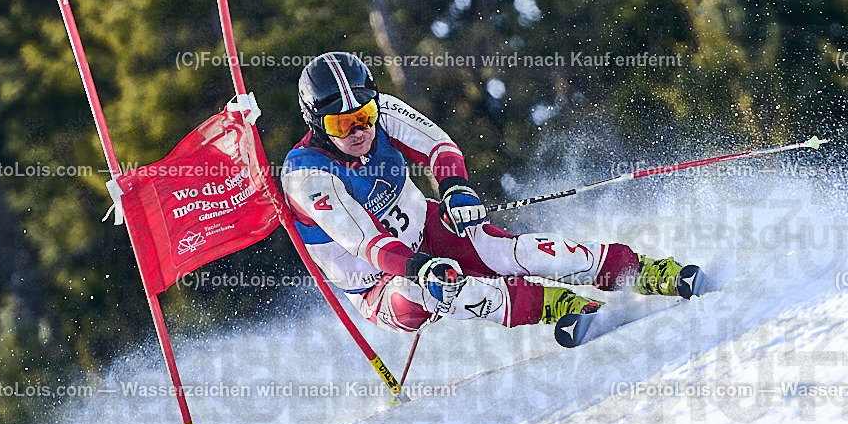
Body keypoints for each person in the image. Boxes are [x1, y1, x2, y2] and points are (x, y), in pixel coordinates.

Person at [281, 52, 702, 334]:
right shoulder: (307, 176)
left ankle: (645, 271)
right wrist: (417, 267)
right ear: (317, 124)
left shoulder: (381, 112)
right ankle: (559, 306)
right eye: (341, 125)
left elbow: (438, 148)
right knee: (429, 291)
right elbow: (367, 243)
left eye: (365, 115)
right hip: (382, 279)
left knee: (518, 253)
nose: (360, 130)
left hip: (428, 227)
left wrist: (456, 189)